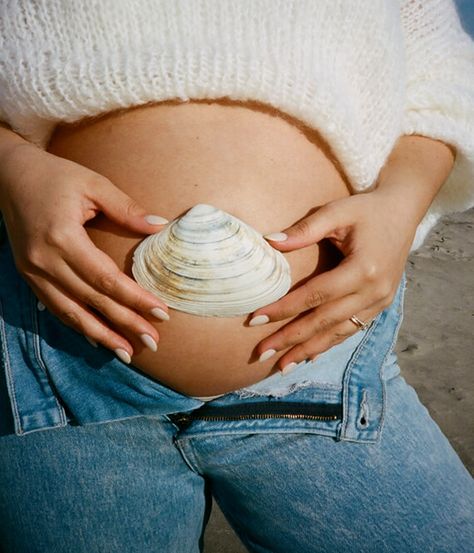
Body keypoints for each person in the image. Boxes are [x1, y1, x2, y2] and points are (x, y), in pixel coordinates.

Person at [0, 1, 473, 551]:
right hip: (56, 357)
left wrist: (400, 201)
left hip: (321, 355)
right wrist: (10, 162)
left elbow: (442, 82)